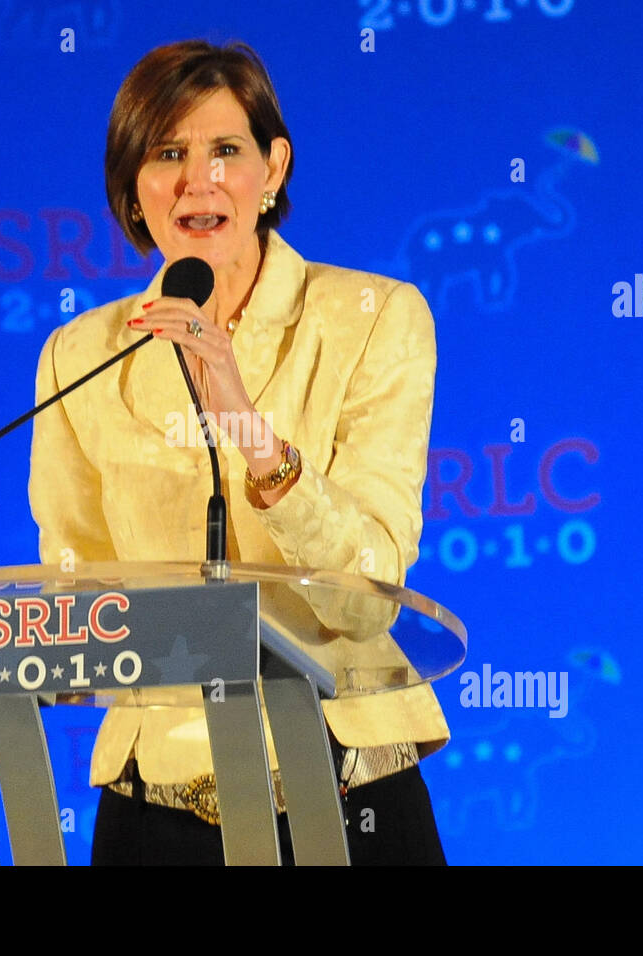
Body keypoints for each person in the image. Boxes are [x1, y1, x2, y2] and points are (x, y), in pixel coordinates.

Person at [28, 39, 450, 865]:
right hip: (157, 799)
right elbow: (76, 592)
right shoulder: (76, 355)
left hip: (340, 781)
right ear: (133, 189)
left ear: (273, 168)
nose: (199, 180)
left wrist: (245, 421)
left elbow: (365, 597)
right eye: (167, 154)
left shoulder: (374, 319)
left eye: (226, 150)